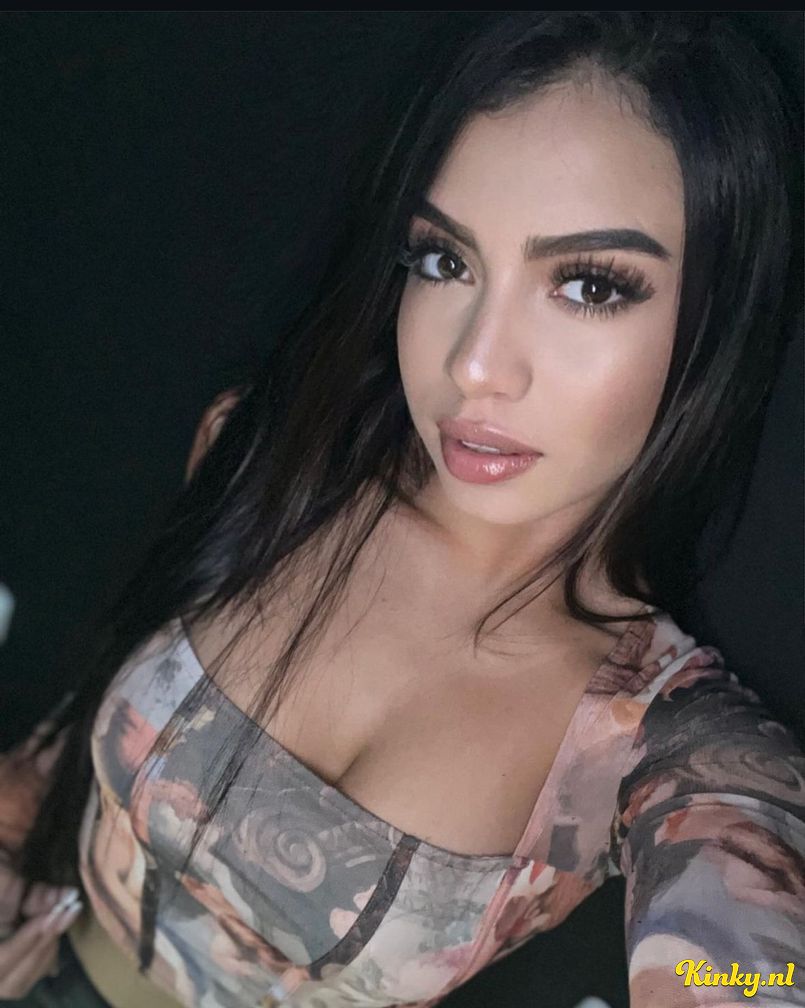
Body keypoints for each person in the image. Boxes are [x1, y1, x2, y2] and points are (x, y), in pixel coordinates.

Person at [1, 11, 803, 1008]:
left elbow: (742, 974)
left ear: (717, 322)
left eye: (589, 286)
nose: (473, 363)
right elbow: (70, 744)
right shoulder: (270, 460)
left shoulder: (671, 747)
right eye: (443, 261)